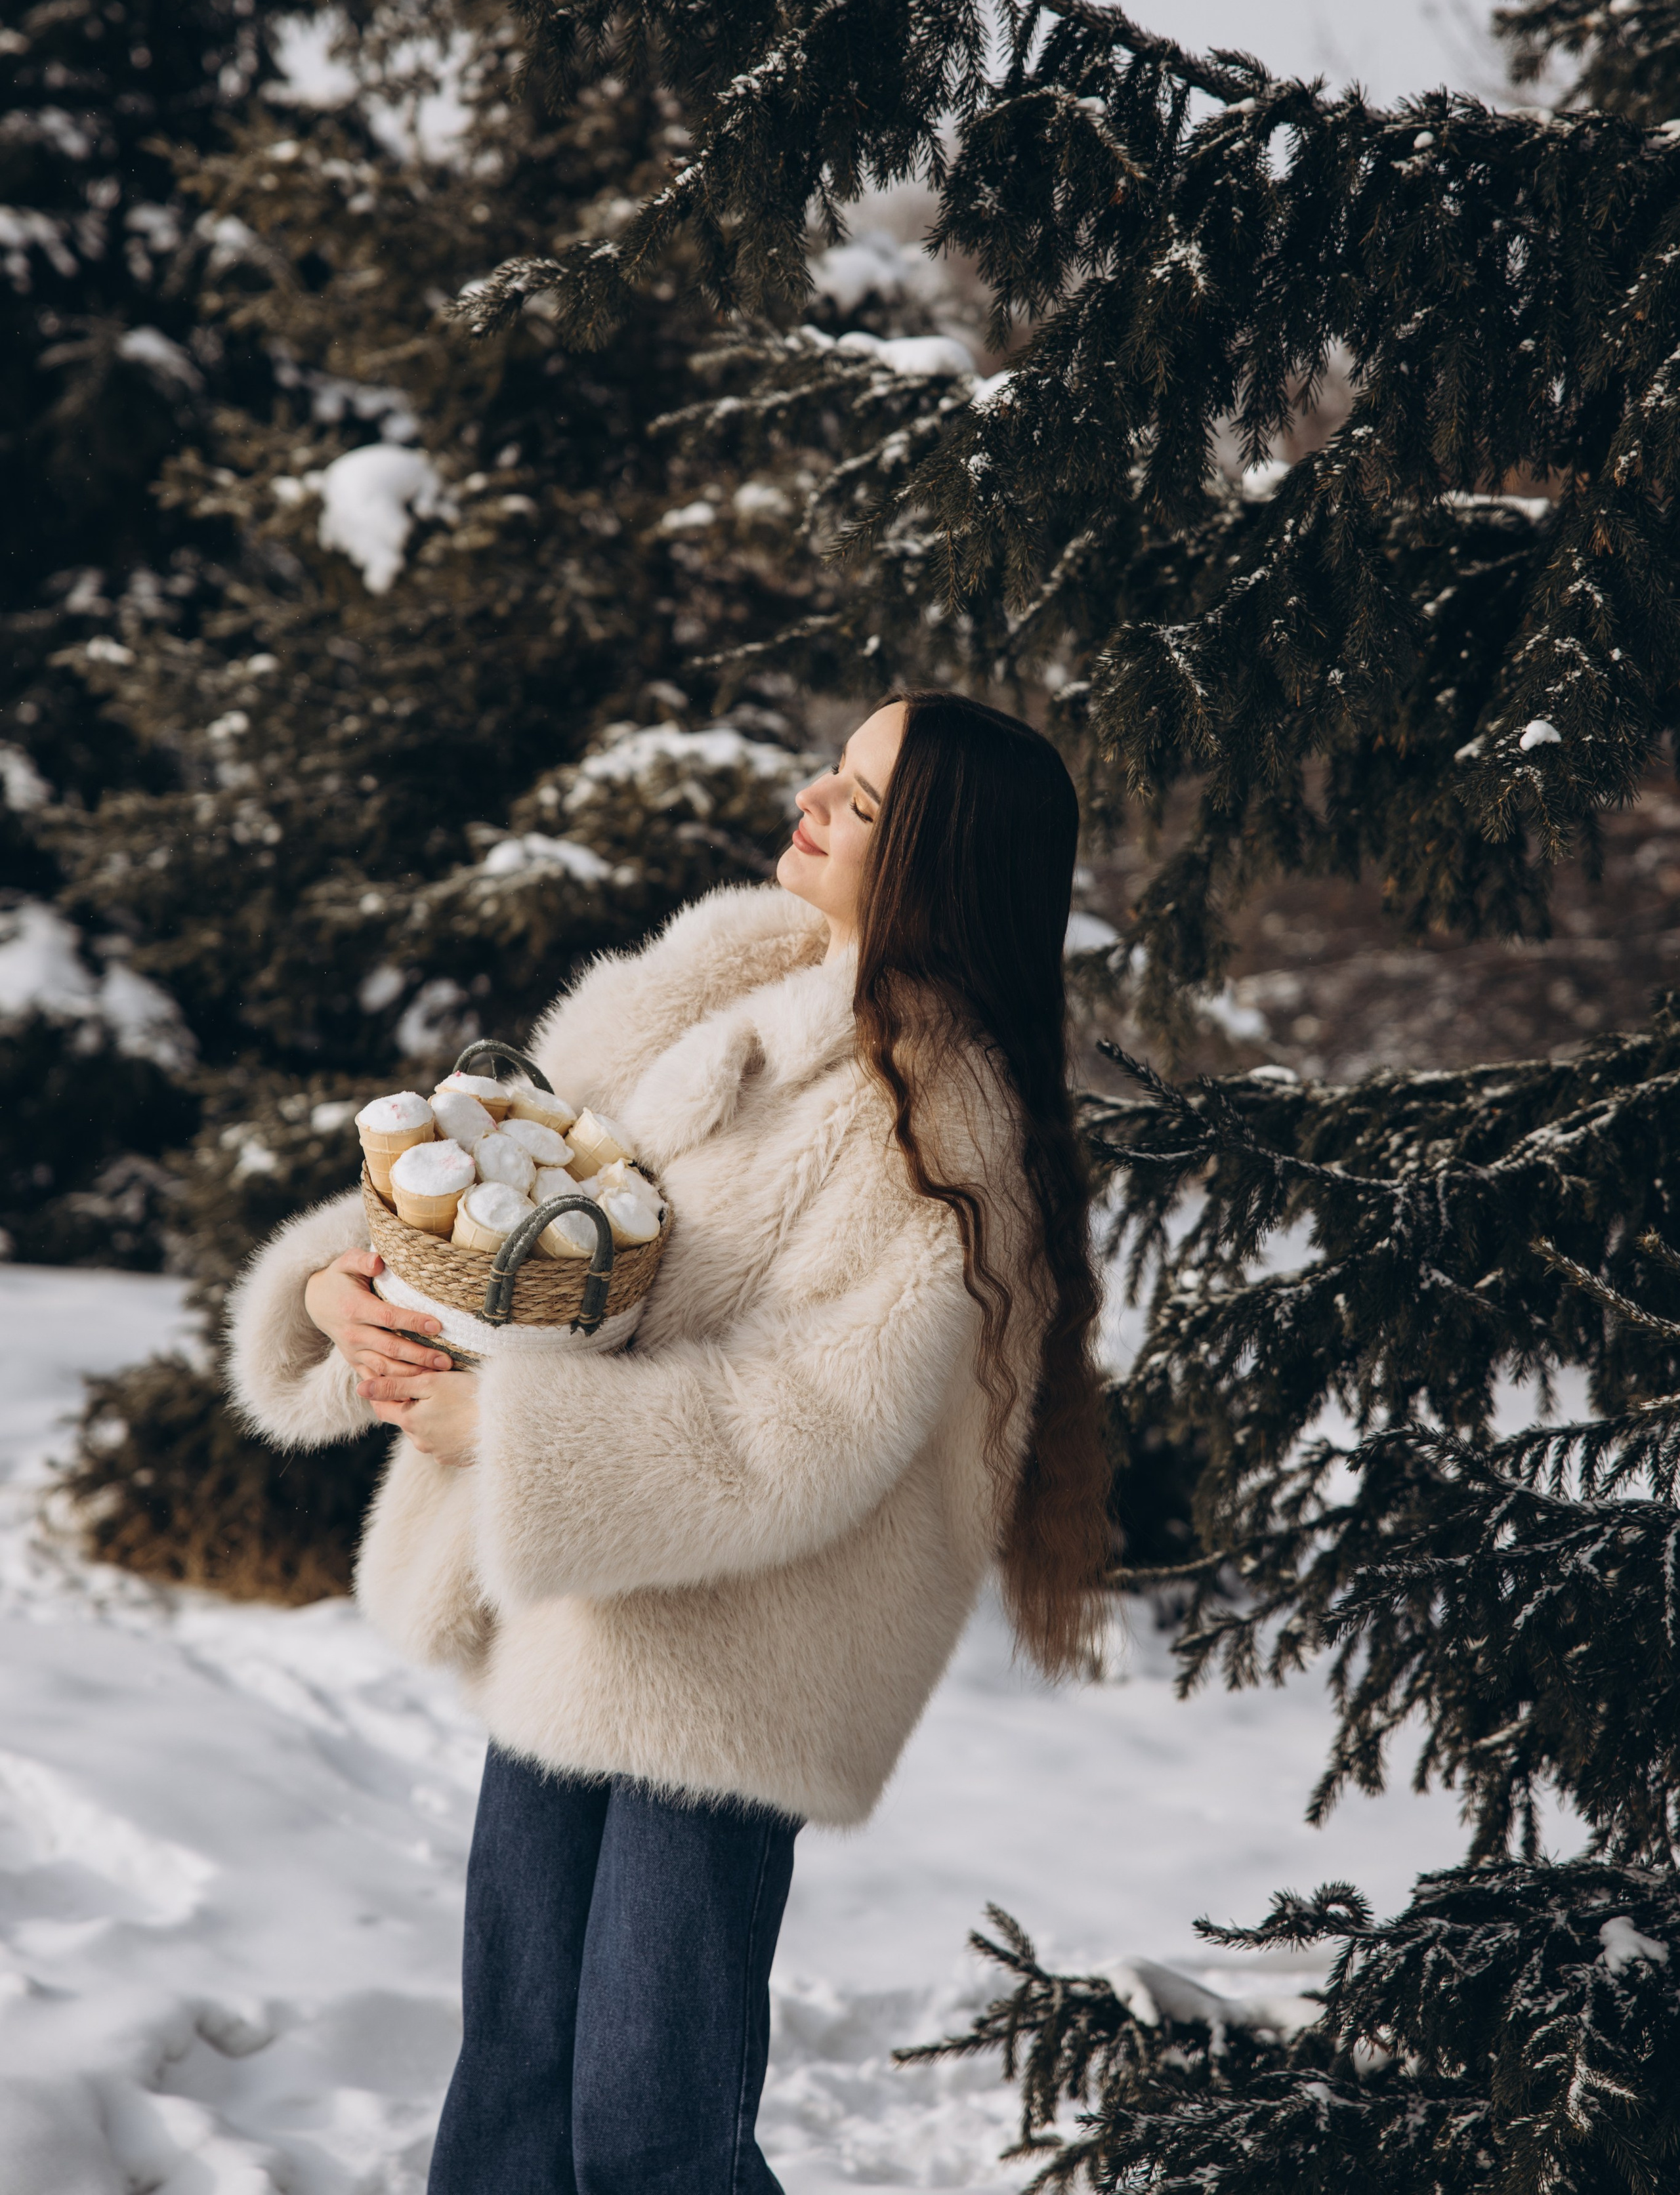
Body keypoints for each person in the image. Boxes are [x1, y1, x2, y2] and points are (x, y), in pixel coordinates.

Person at [227, 688, 1112, 2195]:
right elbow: (517, 1189)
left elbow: (807, 1422)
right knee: (512, 2081)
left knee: (647, 2129)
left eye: (864, 801)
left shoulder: (947, 1122)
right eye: (831, 772)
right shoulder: (719, 975)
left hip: (740, 1659)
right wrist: (344, 1287)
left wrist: (512, 1436)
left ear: (941, 864)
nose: (816, 803)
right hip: (576, 1616)